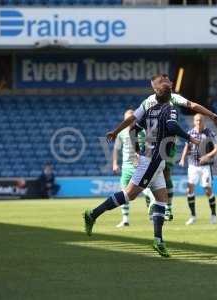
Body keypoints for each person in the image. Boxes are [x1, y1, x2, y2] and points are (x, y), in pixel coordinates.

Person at [84, 77, 199, 257]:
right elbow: (171, 125)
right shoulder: (170, 109)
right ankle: (92, 214)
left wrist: (134, 145)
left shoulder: (149, 108)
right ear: (170, 97)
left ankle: (158, 241)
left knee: (161, 200)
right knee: (129, 195)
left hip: (155, 160)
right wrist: (190, 138)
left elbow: (133, 127)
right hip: (153, 160)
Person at [143, 74, 217, 221]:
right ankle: (156, 202)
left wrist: (210, 114)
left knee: (164, 174)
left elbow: (192, 105)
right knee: (147, 179)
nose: (171, 82)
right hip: (151, 145)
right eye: (167, 81)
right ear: (159, 85)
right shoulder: (148, 101)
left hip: (167, 145)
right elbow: (137, 120)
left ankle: (166, 207)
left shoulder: (173, 97)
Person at [113, 109, 155, 227]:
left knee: (144, 188)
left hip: (139, 165)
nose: (129, 120)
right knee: (124, 191)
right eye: (127, 118)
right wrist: (115, 163)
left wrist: (141, 157)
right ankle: (125, 219)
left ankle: (152, 210)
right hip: (126, 166)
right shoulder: (121, 133)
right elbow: (116, 149)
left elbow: (148, 147)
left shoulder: (141, 131)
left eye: (131, 118)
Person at [179, 114, 217, 225]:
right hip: (193, 165)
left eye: (201, 120)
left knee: (207, 189)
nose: (199, 122)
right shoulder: (190, 133)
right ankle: (192, 216)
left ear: (204, 121)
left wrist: (208, 156)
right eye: (197, 120)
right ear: (194, 121)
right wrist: (183, 158)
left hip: (205, 166)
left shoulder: (209, 133)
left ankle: (213, 214)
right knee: (189, 190)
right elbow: (187, 146)